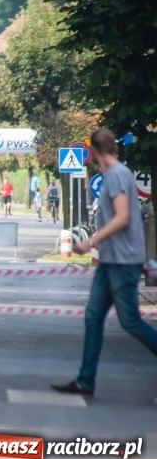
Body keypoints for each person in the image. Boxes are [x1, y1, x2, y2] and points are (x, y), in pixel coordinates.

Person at [51, 127, 157, 398]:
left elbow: (122, 217)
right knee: (93, 317)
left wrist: (90, 241)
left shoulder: (117, 175)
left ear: (95, 151)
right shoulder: (114, 174)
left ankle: (85, 379)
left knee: (130, 321)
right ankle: (85, 380)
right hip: (112, 261)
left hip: (122, 262)